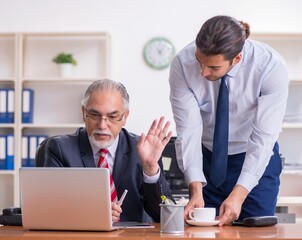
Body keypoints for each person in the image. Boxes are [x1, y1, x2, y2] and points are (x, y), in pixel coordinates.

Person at [169, 15, 289, 226]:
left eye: (213, 68)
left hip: (253, 156)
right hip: (208, 157)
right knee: (204, 230)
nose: (203, 72)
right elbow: (188, 132)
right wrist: (195, 189)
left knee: (255, 230)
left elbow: (263, 139)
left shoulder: (270, 67)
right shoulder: (182, 63)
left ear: (237, 59)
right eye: (200, 61)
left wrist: (239, 194)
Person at [39, 79, 173, 223]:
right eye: (95, 115)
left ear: (125, 117)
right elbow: (50, 209)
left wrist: (151, 169)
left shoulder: (142, 150)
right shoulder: (59, 149)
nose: (102, 125)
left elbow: (166, 216)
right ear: (84, 113)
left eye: (112, 117)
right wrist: (91, 213)